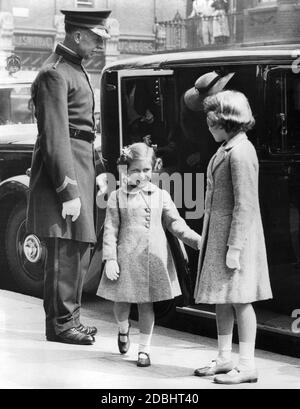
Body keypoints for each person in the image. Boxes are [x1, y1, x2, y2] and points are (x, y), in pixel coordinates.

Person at [26, 8, 111, 345]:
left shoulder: (73, 69)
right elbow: (55, 136)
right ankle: (61, 324)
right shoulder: (55, 73)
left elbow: (82, 134)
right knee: (64, 249)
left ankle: (71, 318)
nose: (99, 46)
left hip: (82, 164)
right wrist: (67, 189)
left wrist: (97, 171)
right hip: (66, 170)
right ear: (77, 35)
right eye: (95, 39)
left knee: (78, 248)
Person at [96, 142, 202, 367]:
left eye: (146, 170)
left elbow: (176, 224)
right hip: (126, 258)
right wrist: (110, 258)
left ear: (154, 168)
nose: (142, 175)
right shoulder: (117, 196)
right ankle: (123, 328)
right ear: (126, 169)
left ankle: (144, 349)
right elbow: (111, 229)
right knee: (122, 302)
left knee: (147, 305)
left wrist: (198, 241)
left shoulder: (161, 195)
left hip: (152, 259)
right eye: (135, 170)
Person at [193, 90, 273, 384]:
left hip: (235, 239)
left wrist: (235, 247)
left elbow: (246, 204)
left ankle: (248, 364)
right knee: (222, 299)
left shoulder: (241, 152)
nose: (209, 126)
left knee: (241, 301)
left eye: (212, 122)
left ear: (227, 121)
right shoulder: (228, 147)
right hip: (222, 237)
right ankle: (225, 358)